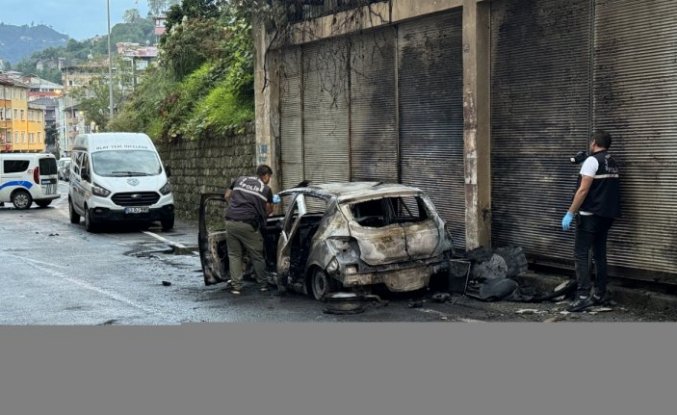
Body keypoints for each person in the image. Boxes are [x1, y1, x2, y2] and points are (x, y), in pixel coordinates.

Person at [561, 130, 621, 312]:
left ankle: (583, 296)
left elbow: (583, 190)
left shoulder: (592, 161)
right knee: (599, 255)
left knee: (581, 254)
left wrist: (570, 213)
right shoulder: (611, 161)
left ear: (594, 142)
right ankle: (600, 294)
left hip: (589, 216)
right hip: (607, 216)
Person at [224, 165, 274, 295]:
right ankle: (263, 285)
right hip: (248, 223)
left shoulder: (240, 180)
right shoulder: (266, 189)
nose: (269, 180)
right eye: (270, 177)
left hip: (230, 221)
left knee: (234, 255)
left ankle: (236, 287)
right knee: (257, 255)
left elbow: (227, 195)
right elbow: (269, 210)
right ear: (266, 176)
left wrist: (234, 208)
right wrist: (262, 213)